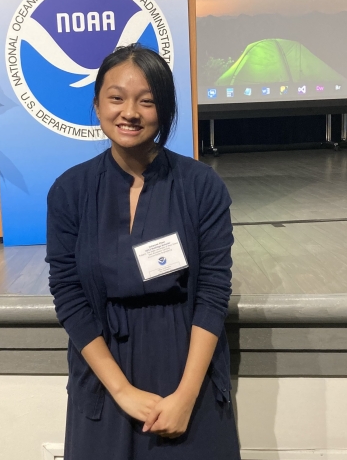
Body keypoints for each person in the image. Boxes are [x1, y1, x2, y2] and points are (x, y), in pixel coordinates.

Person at [46, 44, 240, 460]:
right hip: (105, 372)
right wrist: (122, 390)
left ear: (165, 111)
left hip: (186, 365)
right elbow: (68, 294)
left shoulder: (201, 185)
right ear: (97, 105)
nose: (129, 112)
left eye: (147, 101)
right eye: (116, 98)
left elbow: (212, 293)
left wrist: (186, 397)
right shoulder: (70, 190)